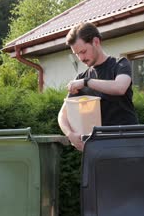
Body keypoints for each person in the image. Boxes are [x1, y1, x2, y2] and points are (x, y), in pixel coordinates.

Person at [58, 22, 138, 151]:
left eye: (83, 51)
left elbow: (120, 87)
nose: (81, 58)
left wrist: (87, 82)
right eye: (77, 54)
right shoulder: (80, 78)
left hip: (128, 144)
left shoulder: (120, 64)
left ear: (96, 42)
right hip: (98, 149)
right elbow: (62, 114)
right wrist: (70, 134)